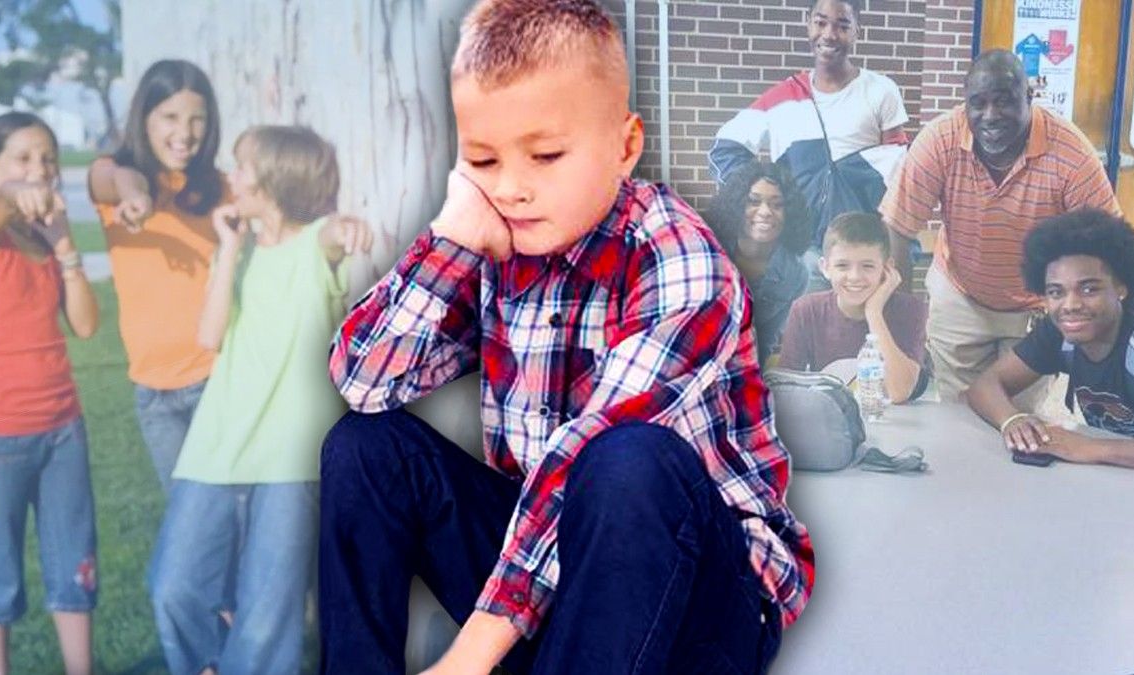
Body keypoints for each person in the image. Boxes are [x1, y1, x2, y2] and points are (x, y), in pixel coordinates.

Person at [319, 2, 813, 674]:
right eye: (484, 159)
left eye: (546, 155)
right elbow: (363, 380)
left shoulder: (680, 259)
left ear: (625, 146)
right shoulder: (496, 243)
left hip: (698, 594)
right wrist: (445, 243)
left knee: (625, 460)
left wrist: (466, 660)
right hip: (555, 582)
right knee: (365, 445)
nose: (513, 187)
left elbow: (579, 460)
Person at [147, 125, 371, 674]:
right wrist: (227, 250)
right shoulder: (238, 253)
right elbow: (209, 336)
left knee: (269, 618)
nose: (232, 176)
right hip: (216, 446)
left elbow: (333, 237)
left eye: (242, 167)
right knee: (172, 587)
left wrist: (347, 228)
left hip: (289, 459)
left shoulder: (315, 242)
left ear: (273, 179)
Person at [880, 50, 1121, 407]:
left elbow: (1110, 244)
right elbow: (898, 226)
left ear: (1029, 97)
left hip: (1033, 307)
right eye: (977, 103)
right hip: (960, 293)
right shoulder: (939, 140)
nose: (990, 116)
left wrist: (1089, 312)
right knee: (957, 413)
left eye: (1004, 101)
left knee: (1019, 420)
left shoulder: (1071, 153)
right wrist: (898, 317)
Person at [0, 112, 99, 675]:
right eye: (23, 158)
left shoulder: (45, 241)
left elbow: (85, 326)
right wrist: (15, 193)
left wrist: (65, 248)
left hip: (63, 428)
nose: (41, 170)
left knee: (75, 566)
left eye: (48, 159)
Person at [87, 59, 227, 494]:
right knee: (189, 518)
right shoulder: (114, 180)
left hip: (216, 380)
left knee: (226, 516)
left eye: (196, 118)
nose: (184, 133)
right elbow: (113, 176)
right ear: (143, 118)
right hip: (153, 394)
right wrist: (135, 194)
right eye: (169, 117)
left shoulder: (217, 187)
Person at [709, 0, 908, 270]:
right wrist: (759, 192)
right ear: (808, 25)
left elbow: (899, 174)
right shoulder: (782, 98)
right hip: (803, 252)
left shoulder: (881, 91)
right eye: (821, 22)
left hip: (862, 251)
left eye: (842, 25)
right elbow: (726, 146)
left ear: (856, 31)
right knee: (805, 313)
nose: (829, 34)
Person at [968, 209, 1134, 469]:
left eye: (1088, 288)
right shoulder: (1058, 332)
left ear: (1122, 288)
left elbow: (1087, 448)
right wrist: (1012, 420)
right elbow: (986, 384)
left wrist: (1089, 447)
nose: (1070, 305)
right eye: (1056, 292)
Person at [779, 212, 928, 403]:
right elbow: (786, 389)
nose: (855, 276)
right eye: (842, 266)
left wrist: (873, 312)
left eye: (867, 266)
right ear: (825, 268)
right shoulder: (806, 310)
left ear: (887, 268)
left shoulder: (911, 309)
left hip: (896, 424)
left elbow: (899, 392)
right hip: (831, 423)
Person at [703, 161, 813, 366]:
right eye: (753, 201)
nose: (765, 212)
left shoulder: (795, 274)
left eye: (777, 204)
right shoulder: (707, 252)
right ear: (736, 206)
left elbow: (766, 339)